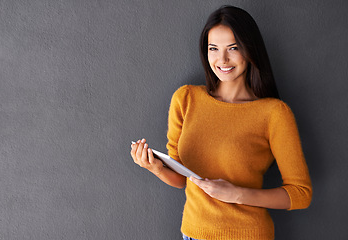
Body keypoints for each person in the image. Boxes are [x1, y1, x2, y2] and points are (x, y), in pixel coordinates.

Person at [130, 5, 312, 240]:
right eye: (213, 48)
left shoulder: (274, 113)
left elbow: (300, 194)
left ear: (250, 50)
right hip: (193, 234)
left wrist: (237, 194)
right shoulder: (185, 99)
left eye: (233, 48)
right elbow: (182, 179)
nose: (222, 59)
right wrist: (155, 168)